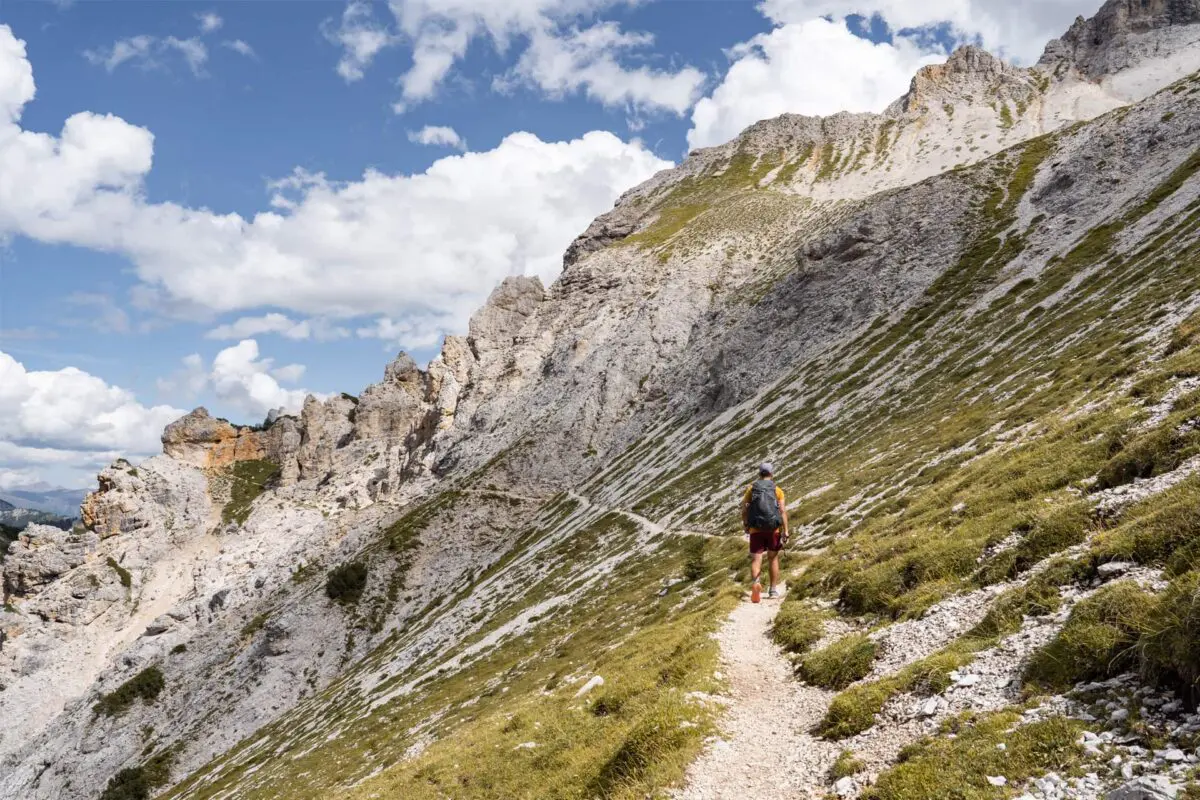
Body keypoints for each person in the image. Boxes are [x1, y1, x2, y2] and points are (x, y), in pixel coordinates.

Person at [742, 462, 788, 603]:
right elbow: (782, 511)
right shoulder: (777, 490)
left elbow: (744, 509)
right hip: (773, 529)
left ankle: (756, 583)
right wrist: (785, 531)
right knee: (773, 559)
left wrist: (746, 525)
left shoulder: (751, 489)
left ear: (759, 473)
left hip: (756, 529)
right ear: (771, 474)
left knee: (756, 559)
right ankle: (773, 590)